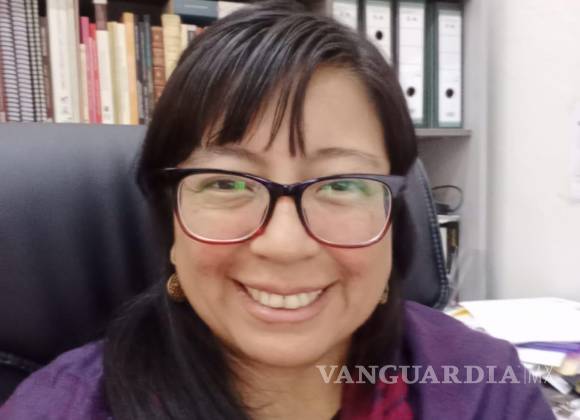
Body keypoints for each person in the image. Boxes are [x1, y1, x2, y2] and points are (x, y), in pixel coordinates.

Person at [0, 1, 555, 419]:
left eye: (342, 184)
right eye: (227, 183)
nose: (285, 244)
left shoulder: (484, 388)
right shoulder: (61, 408)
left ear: (394, 219)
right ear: (170, 222)